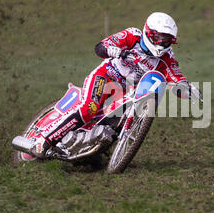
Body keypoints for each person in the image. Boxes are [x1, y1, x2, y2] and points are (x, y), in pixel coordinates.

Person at [30, 12, 201, 158]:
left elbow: (176, 78)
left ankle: (93, 150)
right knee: (89, 108)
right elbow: (101, 46)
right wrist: (111, 49)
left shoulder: (167, 57)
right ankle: (44, 140)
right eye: (159, 38)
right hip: (105, 77)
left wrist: (188, 89)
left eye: (166, 40)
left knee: (118, 124)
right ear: (149, 32)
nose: (162, 44)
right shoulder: (132, 35)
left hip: (127, 93)